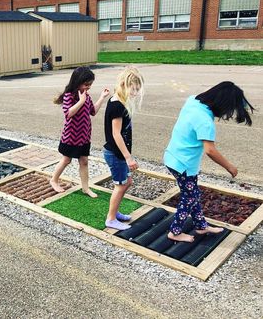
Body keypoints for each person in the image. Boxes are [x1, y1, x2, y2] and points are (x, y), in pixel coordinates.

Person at [164, 81, 254, 242]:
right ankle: (175, 231)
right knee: (190, 197)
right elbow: (210, 150)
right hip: (183, 164)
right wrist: (230, 167)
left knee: (193, 194)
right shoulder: (205, 121)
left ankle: (200, 226)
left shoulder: (193, 101)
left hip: (173, 156)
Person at [49, 66, 110, 198]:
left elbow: (93, 111)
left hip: (84, 136)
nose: (88, 87)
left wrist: (102, 97)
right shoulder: (69, 96)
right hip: (71, 136)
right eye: (86, 84)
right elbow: (68, 113)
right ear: (77, 82)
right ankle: (53, 180)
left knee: (84, 161)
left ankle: (85, 188)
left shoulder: (86, 96)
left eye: (90, 85)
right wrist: (81, 101)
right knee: (66, 160)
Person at [103, 66, 144, 230]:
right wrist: (128, 157)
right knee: (121, 185)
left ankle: (115, 211)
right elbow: (116, 134)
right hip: (116, 154)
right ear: (123, 84)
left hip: (118, 153)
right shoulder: (117, 105)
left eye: (137, 90)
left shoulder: (119, 100)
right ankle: (111, 219)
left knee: (127, 182)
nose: (134, 93)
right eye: (132, 89)